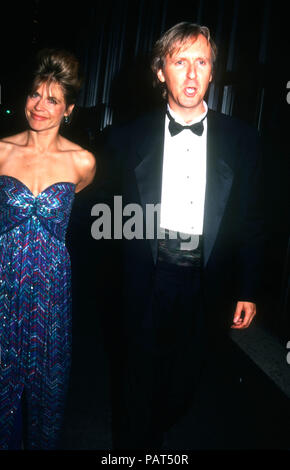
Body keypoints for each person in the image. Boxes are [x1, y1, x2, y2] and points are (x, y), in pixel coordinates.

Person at [101, 21, 266, 450]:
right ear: (160, 71)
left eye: (202, 62)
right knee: (136, 384)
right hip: (146, 275)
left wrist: (248, 288)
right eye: (180, 62)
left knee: (185, 383)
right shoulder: (124, 138)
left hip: (207, 278)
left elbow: (250, 217)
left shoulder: (244, 140)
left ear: (213, 72)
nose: (191, 75)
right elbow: (109, 222)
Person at [0, 48, 96, 450]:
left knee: (46, 386)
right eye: (35, 95)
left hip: (51, 290)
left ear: (69, 108)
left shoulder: (83, 162)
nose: (40, 106)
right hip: (3, 283)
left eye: (53, 99)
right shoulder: (1, 151)